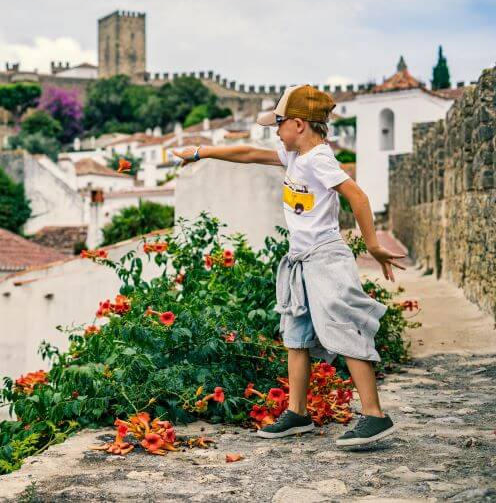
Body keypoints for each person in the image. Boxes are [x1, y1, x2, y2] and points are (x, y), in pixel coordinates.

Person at [172, 85, 405, 447]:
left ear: (299, 124)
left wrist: (373, 245)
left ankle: (375, 416)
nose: (274, 131)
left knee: (345, 330)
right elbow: (249, 153)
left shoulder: (318, 159)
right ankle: (297, 413)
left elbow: (357, 196)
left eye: (278, 124)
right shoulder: (295, 156)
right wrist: (201, 152)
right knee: (295, 336)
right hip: (301, 259)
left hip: (326, 257)